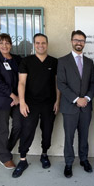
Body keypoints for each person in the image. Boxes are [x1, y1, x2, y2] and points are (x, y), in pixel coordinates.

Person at [12, 33, 60, 178]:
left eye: (43, 43)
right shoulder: (26, 61)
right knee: (27, 130)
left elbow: (58, 83)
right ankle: (22, 159)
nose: (41, 45)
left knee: (47, 131)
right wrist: (22, 102)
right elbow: (21, 83)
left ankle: (44, 154)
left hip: (49, 103)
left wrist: (57, 101)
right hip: (30, 103)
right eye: (38, 43)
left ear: (47, 44)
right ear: (34, 44)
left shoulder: (54, 62)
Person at [57, 30, 94, 178]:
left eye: (81, 40)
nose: (78, 43)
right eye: (76, 40)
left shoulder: (89, 62)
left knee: (84, 135)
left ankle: (84, 159)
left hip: (86, 107)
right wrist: (76, 99)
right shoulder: (62, 61)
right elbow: (61, 84)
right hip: (69, 106)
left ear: (84, 43)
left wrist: (86, 98)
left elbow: (93, 83)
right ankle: (68, 163)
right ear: (71, 41)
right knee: (69, 136)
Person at [0, 33, 23, 170]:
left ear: (11, 44)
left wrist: (19, 97)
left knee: (19, 125)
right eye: (1, 43)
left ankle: (5, 149)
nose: (4, 45)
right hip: (1, 100)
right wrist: (12, 95)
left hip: (17, 99)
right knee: (3, 128)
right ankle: (4, 157)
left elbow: (22, 79)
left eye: (7, 43)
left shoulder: (18, 59)